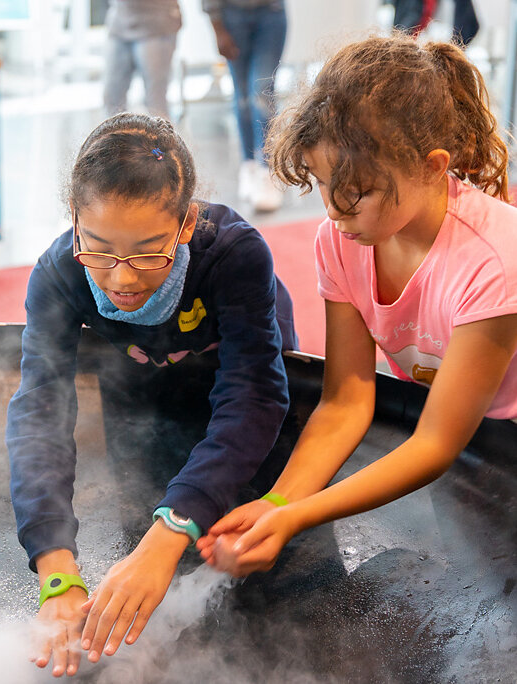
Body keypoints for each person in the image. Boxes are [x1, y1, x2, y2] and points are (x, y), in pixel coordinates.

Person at [197, 34, 517, 577]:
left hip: (497, 436)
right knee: (482, 574)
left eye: (356, 192)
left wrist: (297, 517)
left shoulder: (494, 260)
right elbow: (346, 400)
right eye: (323, 184)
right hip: (463, 431)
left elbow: (436, 442)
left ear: (432, 166)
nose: (333, 211)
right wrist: (277, 503)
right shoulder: (342, 241)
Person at [6, 112, 299, 676]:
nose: (122, 278)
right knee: (140, 531)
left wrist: (173, 531)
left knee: (260, 559)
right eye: (99, 250)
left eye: (147, 252)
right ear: (74, 219)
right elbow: (41, 410)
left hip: (245, 388)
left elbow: (255, 396)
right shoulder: (58, 274)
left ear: (186, 223)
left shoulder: (233, 253)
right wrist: (56, 569)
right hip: (144, 378)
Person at [203, 0, 288, 212]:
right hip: (231, 15)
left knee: (262, 90)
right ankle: (249, 165)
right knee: (241, 95)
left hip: (271, 12)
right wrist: (217, 27)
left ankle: (267, 170)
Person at [103, 0, 182, 119]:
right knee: (112, 97)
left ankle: (161, 132)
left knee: (155, 102)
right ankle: (117, 132)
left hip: (156, 25)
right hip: (119, 23)